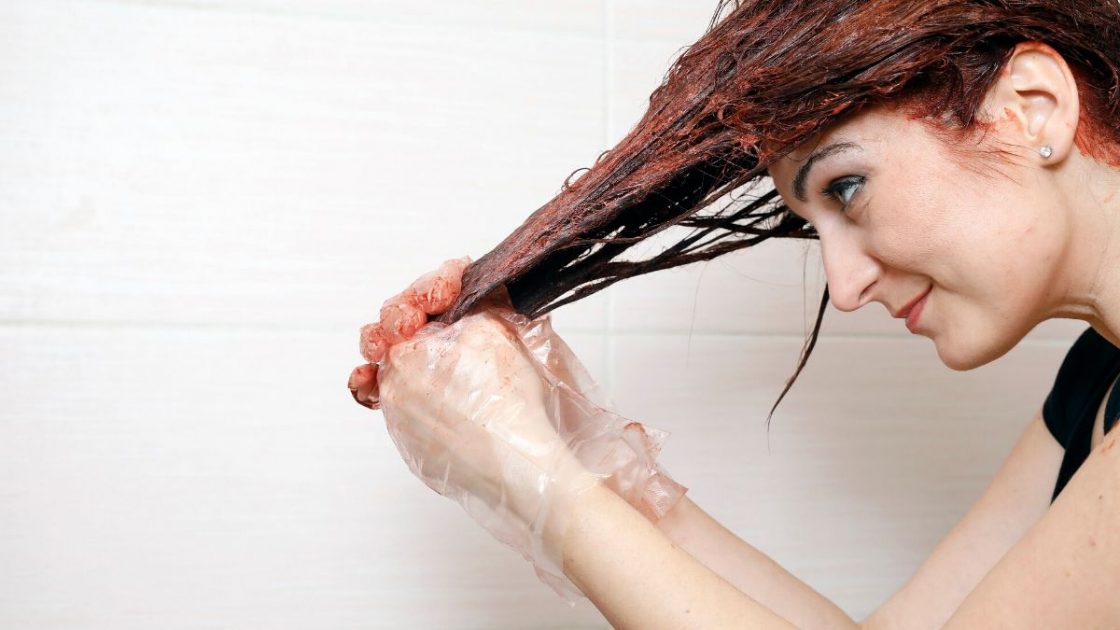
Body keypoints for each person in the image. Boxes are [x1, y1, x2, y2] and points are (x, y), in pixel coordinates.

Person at [353, 1, 1120, 627]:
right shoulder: (1097, 378)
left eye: (847, 188)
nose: (844, 287)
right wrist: (589, 454)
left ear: (1031, 109)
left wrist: (533, 477)